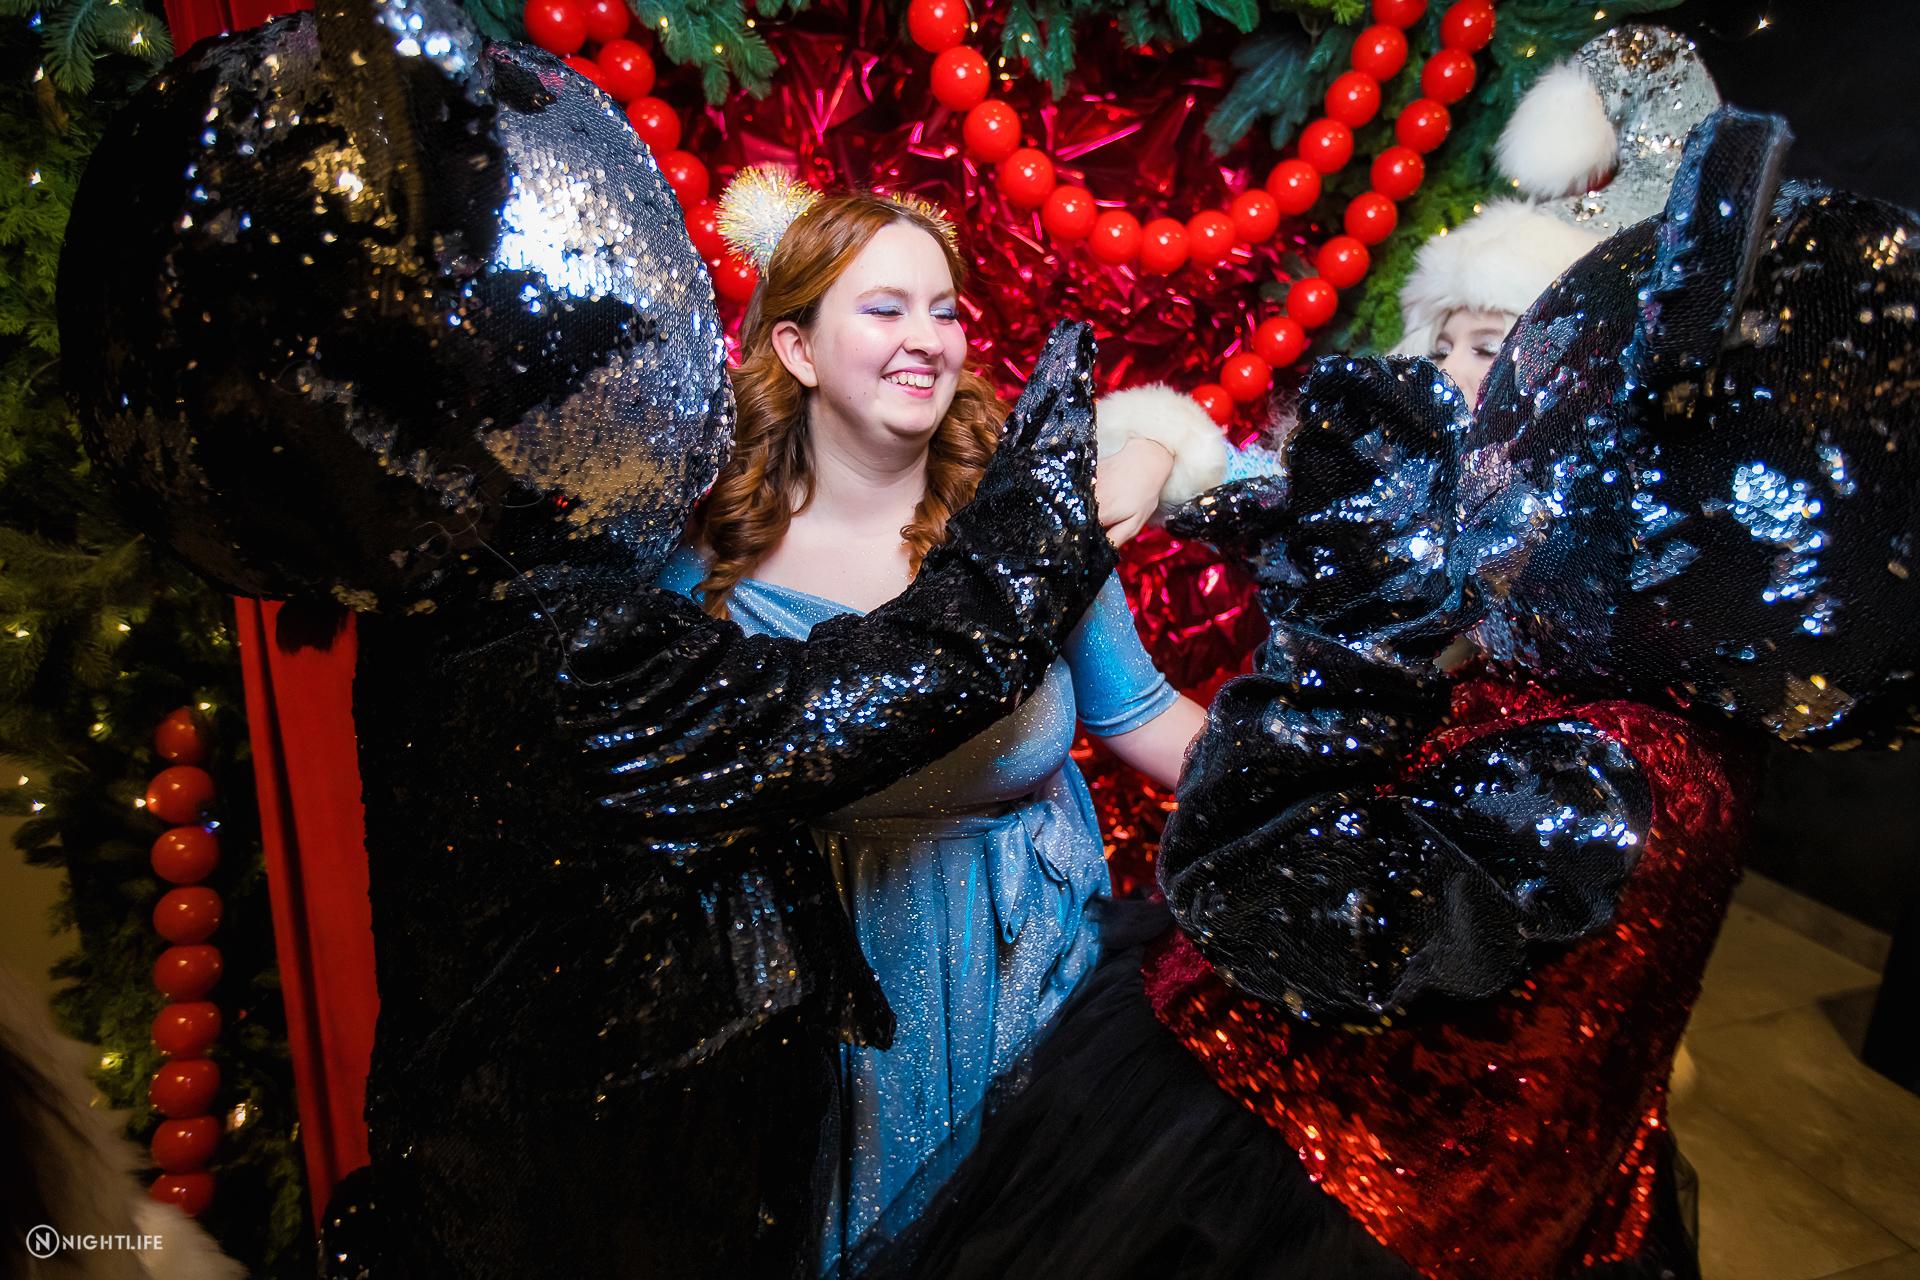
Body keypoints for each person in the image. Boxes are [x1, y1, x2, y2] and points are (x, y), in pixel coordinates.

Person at [56, 1, 1120, 1275]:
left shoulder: (459, 601)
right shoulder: (564, 649)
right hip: (597, 1222)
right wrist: (1045, 503)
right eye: (573, 354)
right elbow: (892, 684)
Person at [870, 108, 1920, 1280]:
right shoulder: (1577, 650)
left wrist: (1356, 623)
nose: (1482, 383)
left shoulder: (1610, 758)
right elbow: (1251, 511)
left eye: (1512, 357)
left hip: (1336, 1188)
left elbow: (1282, 899)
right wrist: (1179, 465)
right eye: (1462, 347)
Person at [655, 172, 1208, 1272]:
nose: (927, 338)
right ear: (798, 348)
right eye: (885, 308)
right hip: (833, 1024)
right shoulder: (705, 571)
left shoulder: (1027, 527)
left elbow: (1144, 714)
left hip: (1044, 984)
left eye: (944, 310)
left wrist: (1320, 785)